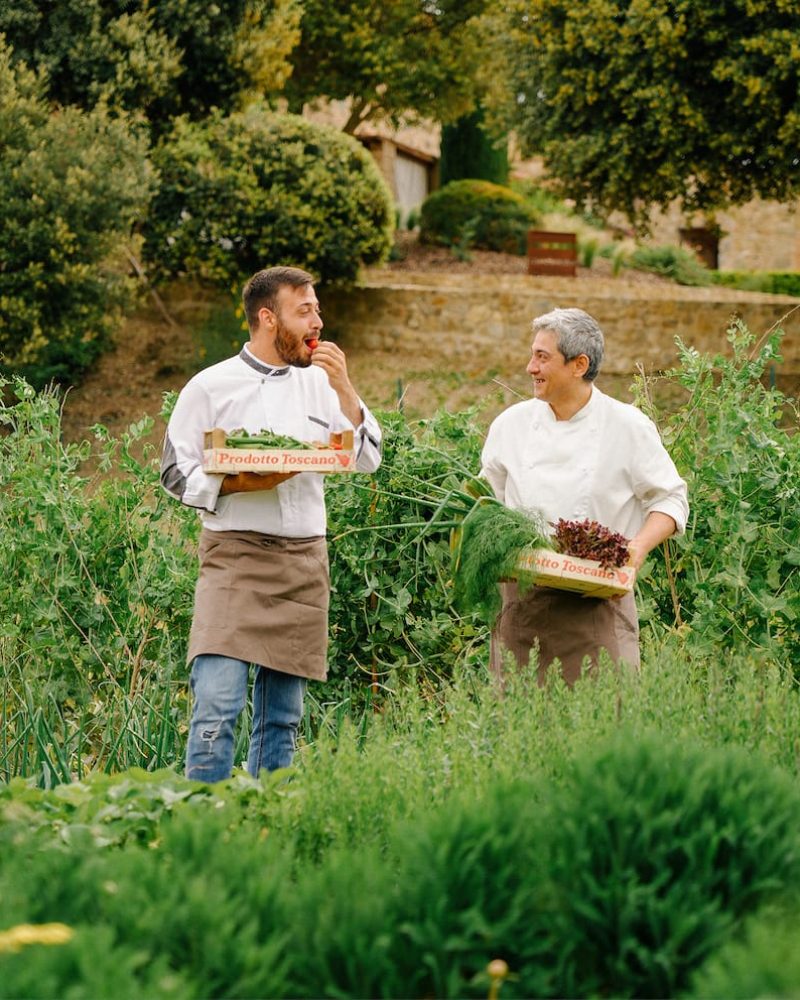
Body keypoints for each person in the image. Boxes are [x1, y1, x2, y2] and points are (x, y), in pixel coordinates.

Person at [161, 265, 382, 781]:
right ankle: (203, 824)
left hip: (304, 561)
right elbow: (174, 471)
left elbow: (367, 458)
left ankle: (266, 825)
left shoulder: (324, 388)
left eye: (318, 309)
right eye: (304, 311)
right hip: (232, 557)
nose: (318, 321)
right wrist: (233, 484)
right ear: (267, 317)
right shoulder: (210, 385)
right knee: (216, 708)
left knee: (281, 720)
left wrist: (346, 387)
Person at [480, 307, 688, 685]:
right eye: (532, 354)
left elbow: (671, 500)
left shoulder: (626, 427)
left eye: (542, 357)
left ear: (579, 364)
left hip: (596, 605)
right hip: (521, 606)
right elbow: (485, 504)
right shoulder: (510, 426)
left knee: (603, 727)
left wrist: (635, 551)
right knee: (517, 731)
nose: (530, 367)